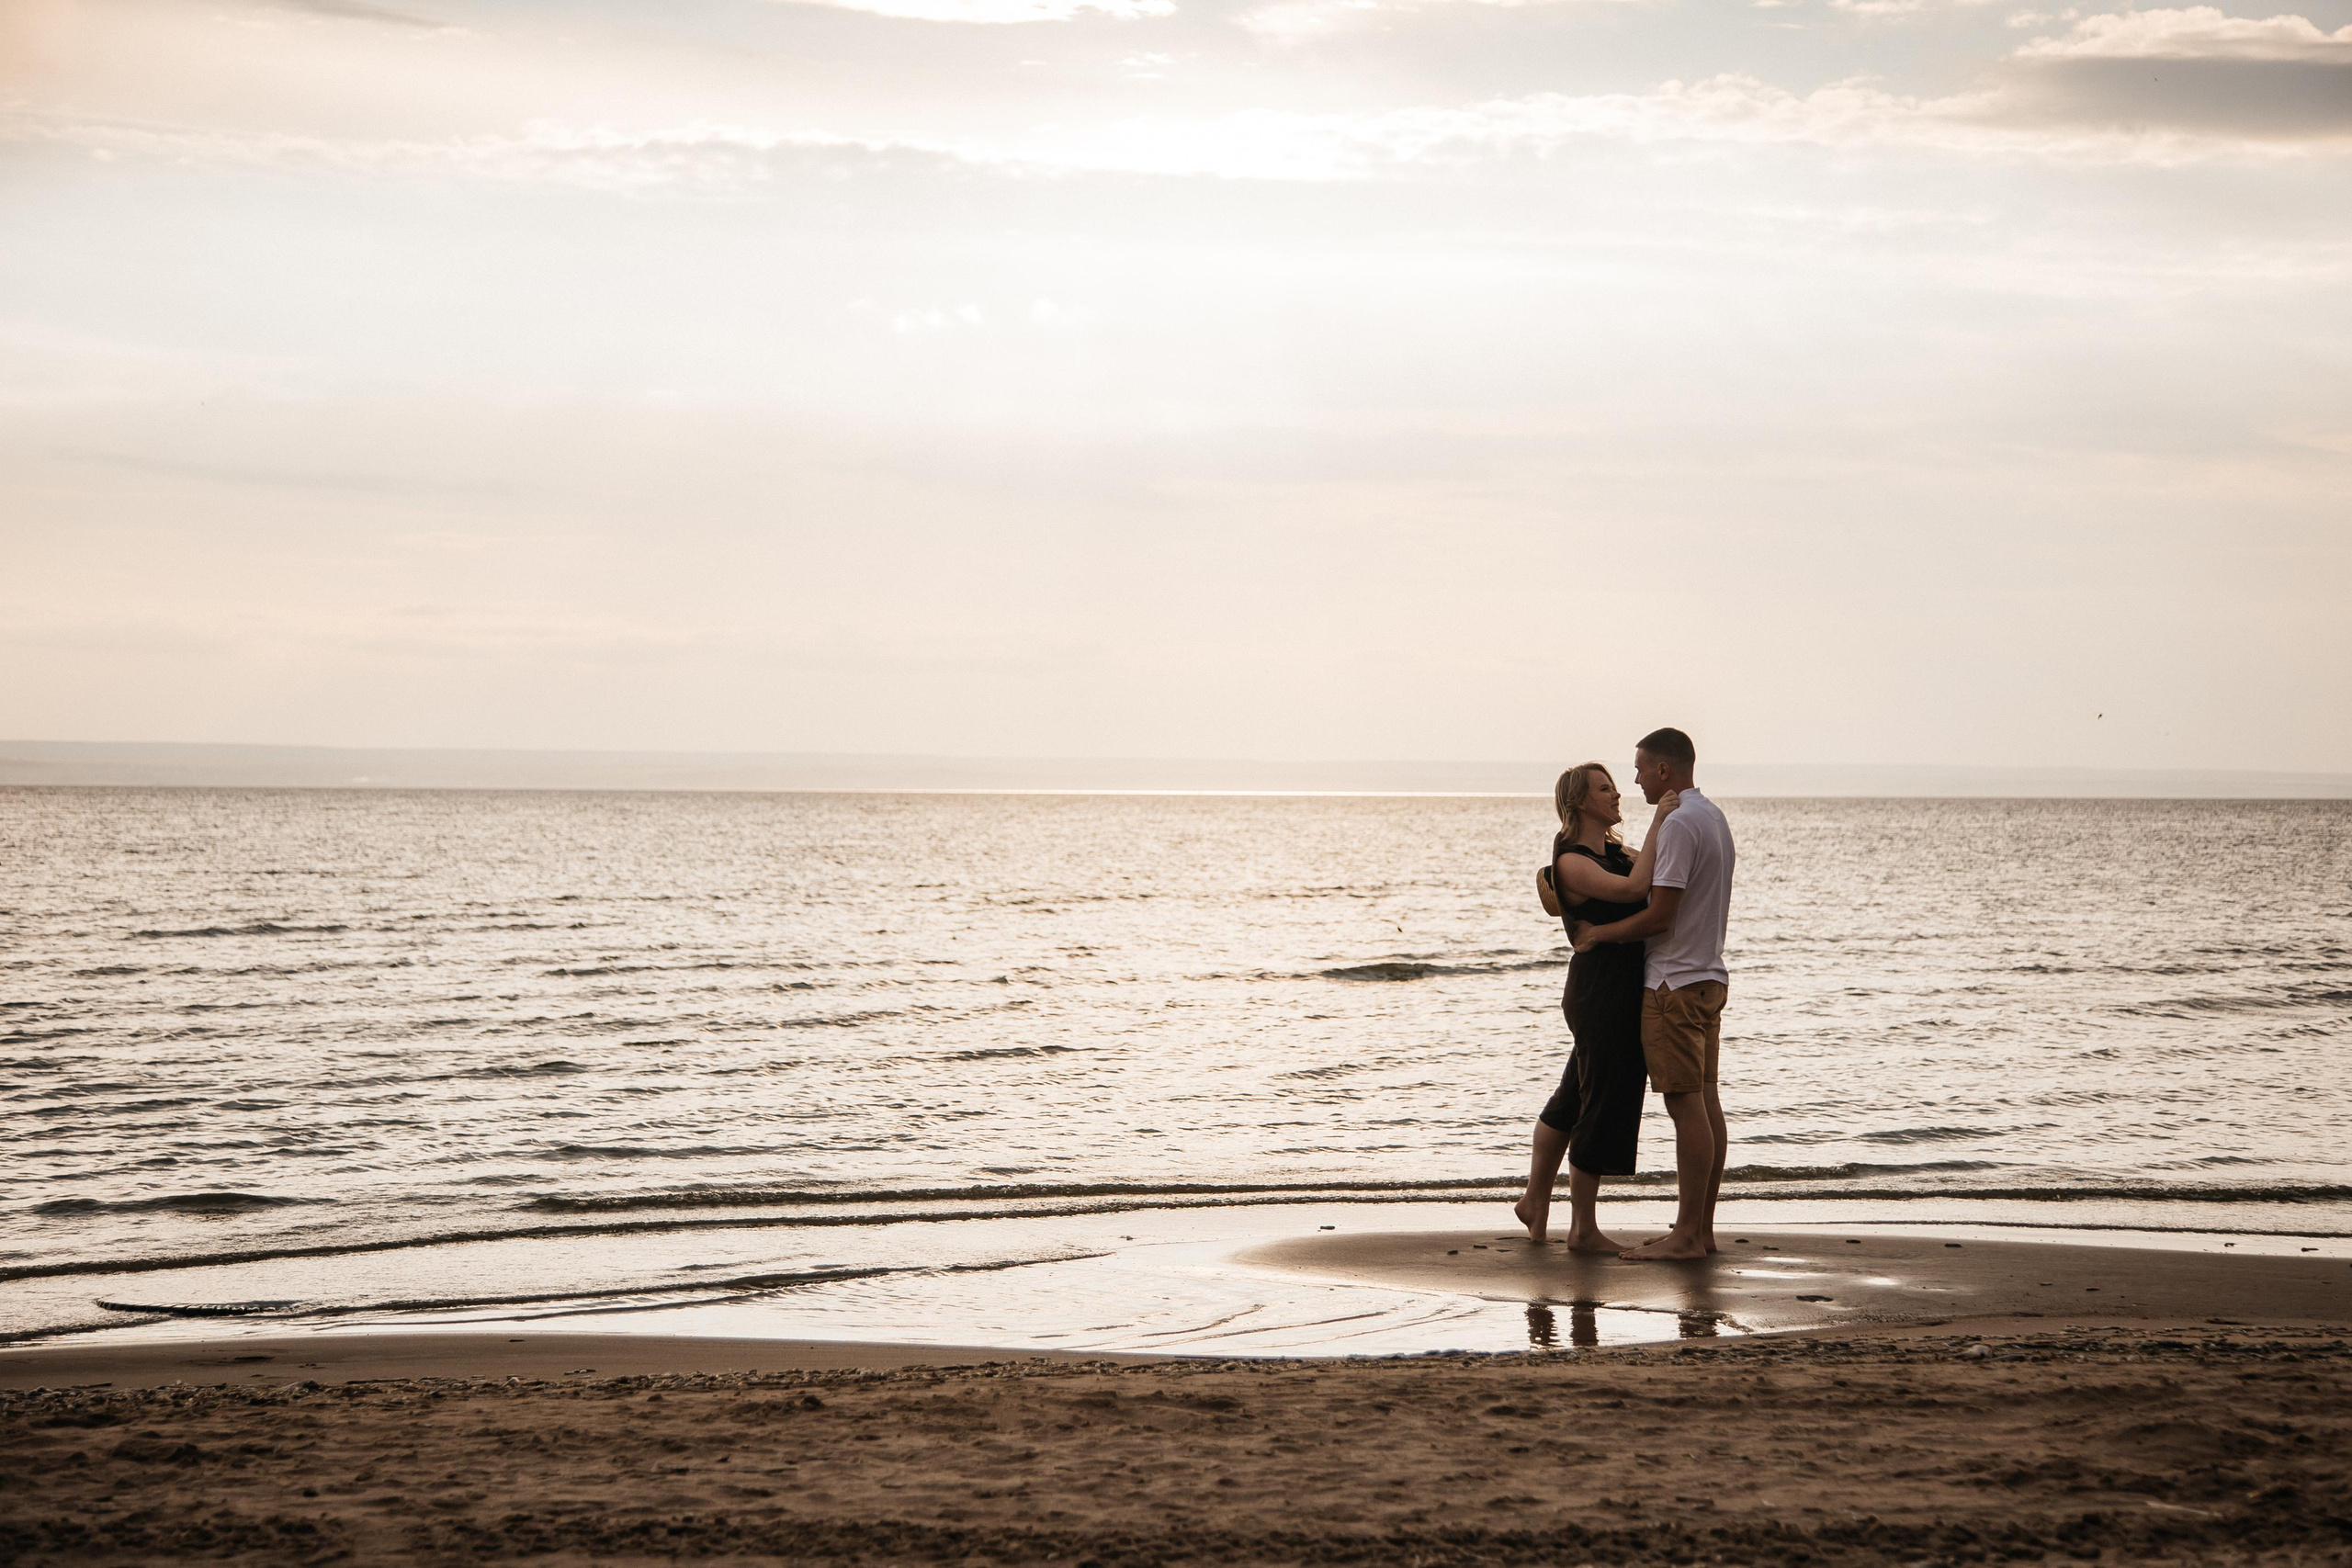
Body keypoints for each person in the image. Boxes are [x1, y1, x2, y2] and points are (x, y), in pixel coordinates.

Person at [1572, 727, 1736, 1262]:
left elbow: (1660, 914)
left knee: (1685, 1104)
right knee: (1706, 1102)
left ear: (1665, 769)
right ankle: (1701, 1230)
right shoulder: (1711, 816)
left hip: (1673, 983)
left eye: (1640, 767)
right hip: (1708, 975)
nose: (1635, 778)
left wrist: (1600, 934)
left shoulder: (1681, 824)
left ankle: (1687, 1235)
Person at [1514, 761, 1679, 1249]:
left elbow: (1651, 877)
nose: (1616, 794)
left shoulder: (1612, 849)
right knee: (1600, 1100)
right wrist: (1660, 819)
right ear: (1581, 801)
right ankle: (1582, 1229)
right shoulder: (1571, 860)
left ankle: (1533, 1200)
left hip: (1618, 988)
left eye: (1614, 787)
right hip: (1600, 992)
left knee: (1573, 1096)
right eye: (1605, 789)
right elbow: (1634, 890)